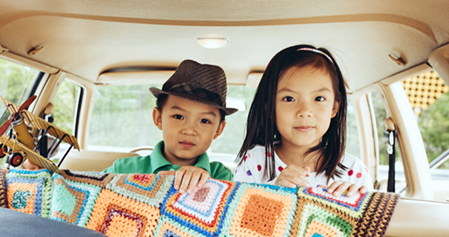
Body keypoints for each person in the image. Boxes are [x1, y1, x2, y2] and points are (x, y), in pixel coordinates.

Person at [234, 44, 373, 197]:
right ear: (270, 108)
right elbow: (237, 216)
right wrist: (273, 191)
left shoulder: (353, 170)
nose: (305, 111)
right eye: (289, 99)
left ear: (334, 107)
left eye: (319, 98)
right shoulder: (253, 161)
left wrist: (353, 200)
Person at [103, 59, 238, 193]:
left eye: (204, 120)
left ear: (218, 129)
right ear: (158, 118)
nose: (190, 131)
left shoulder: (221, 176)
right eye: (179, 117)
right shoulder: (122, 170)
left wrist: (207, 184)